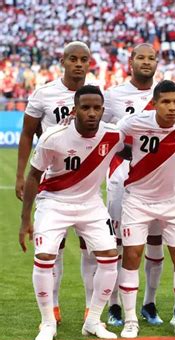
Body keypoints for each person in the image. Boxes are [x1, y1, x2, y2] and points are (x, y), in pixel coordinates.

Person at [19, 85, 123, 340]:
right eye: (85, 108)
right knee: (45, 256)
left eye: (97, 108)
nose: (91, 113)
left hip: (90, 204)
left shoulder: (113, 135)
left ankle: (93, 320)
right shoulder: (54, 136)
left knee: (110, 256)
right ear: (74, 109)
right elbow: (34, 175)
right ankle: (47, 323)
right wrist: (25, 220)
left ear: (103, 111)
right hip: (54, 202)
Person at [117, 80, 175, 338]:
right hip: (137, 200)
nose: (172, 107)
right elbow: (111, 137)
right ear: (154, 103)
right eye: (166, 102)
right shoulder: (134, 122)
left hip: (173, 202)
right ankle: (131, 319)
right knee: (132, 255)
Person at [15, 41, 94, 323]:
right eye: (73, 59)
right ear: (63, 60)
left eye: (83, 59)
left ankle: (90, 308)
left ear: (90, 62)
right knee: (54, 247)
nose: (78, 64)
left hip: (88, 184)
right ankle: (55, 307)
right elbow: (27, 134)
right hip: (53, 182)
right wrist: (20, 175)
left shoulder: (96, 96)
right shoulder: (45, 94)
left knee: (92, 249)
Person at [102, 43, 165, 327]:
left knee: (155, 242)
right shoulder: (113, 96)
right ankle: (114, 305)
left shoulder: (166, 95)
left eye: (151, 58)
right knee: (118, 244)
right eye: (141, 57)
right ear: (131, 62)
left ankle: (149, 303)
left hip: (157, 180)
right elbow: (99, 133)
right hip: (120, 178)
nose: (146, 62)